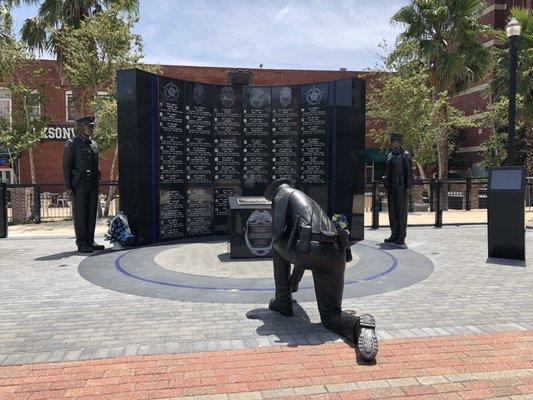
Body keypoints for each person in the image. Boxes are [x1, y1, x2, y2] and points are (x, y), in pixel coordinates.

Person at [264, 179, 378, 362]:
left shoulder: (283, 194)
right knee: (331, 315)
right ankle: (359, 326)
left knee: (276, 245)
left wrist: (290, 286)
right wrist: (294, 281)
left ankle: (282, 300)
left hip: (309, 251)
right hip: (334, 254)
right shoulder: (308, 201)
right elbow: (300, 245)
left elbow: (278, 232)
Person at [63, 115, 104, 253]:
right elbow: (67, 166)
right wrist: (68, 187)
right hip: (79, 184)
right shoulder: (72, 143)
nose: (92, 129)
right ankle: (81, 242)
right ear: (81, 128)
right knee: (81, 213)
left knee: (91, 213)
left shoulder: (94, 144)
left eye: (93, 126)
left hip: (92, 183)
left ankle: (90, 240)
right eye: (89, 126)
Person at [382, 133, 414, 246]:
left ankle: (401, 235)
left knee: (401, 211)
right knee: (392, 211)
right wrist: (385, 178)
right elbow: (388, 170)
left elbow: (409, 172)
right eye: (392, 141)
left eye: (395, 141)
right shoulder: (390, 155)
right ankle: (394, 234)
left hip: (401, 187)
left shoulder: (405, 155)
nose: (393, 143)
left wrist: (409, 187)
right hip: (391, 187)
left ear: (400, 142)